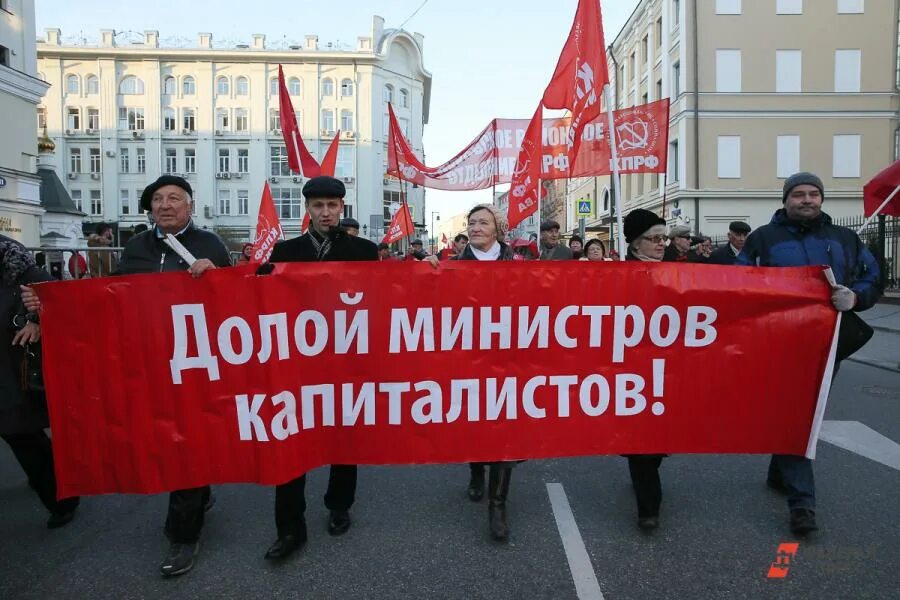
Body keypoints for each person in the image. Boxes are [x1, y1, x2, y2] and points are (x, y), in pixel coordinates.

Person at [737, 171, 882, 535]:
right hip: (779, 340)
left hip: (829, 340)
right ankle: (802, 504)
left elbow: (872, 276)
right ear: (785, 200)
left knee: (805, 412)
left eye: (813, 194)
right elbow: (736, 281)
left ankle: (779, 470)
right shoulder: (763, 239)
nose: (806, 200)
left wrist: (856, 296)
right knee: (798, 412)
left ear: (821, 199)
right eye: (798, 194)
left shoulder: (845, 238)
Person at [118, 175, 231, 576]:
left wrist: (214, 276)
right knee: (161, 435)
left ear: (189, 206)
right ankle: (198, 493)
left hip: (193, 361)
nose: (165, 205)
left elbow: (233, 305)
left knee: (188, 440)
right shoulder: (134, 247)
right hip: (148, 359)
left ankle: (183, 536)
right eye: (158, 200)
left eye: (174, 199)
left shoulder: (209, 245)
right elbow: (113, 298)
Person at [262, 175, 378, 561]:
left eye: (332, 206)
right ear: (307, 209)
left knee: (344, 435)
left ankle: (339, 505)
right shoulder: (285, 251)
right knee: (291, 441)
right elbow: (262, 300)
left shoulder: (364, 250)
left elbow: (384, 300)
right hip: (296, 363)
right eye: (318, 206)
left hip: (346, 360)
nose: (325, 212)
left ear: (342, 208)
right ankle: (290, 528)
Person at [426, 204, 518, 541]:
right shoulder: (452, 265)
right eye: (472, 222)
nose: (477, 227)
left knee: (505, 432)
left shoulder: (519, 265)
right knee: (475, 423)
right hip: (468, 358)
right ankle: (476, 470)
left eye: (484, 222)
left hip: (509, 359)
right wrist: (427, 272)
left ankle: (498, 505)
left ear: (498, 229)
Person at [1, 235, 80, 529]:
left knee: (22, 436)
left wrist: (37, 319)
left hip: (13, 367)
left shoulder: (20, 269)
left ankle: (61, 499)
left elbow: (61, 302)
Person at [622, 209, 668, 529]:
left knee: (661, 437)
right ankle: (648, 508)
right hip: (632, 371)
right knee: (642, 442)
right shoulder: (618, 276)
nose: (661, 244)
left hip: (669, 369)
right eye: (654, 238)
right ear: (636, 243)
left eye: (663, 238)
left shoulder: (679, 272)